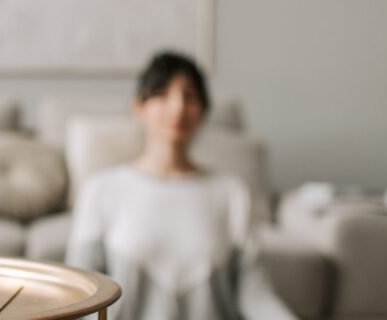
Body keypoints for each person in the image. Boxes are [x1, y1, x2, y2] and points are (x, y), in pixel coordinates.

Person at [65, 52, 296, 320]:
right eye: (162, 94)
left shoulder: (232, 192)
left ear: (203, 111)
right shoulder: (101, 189)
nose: (177, 107)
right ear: (139, 107)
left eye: (190, 96)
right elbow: (78, 299)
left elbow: (254, 294)